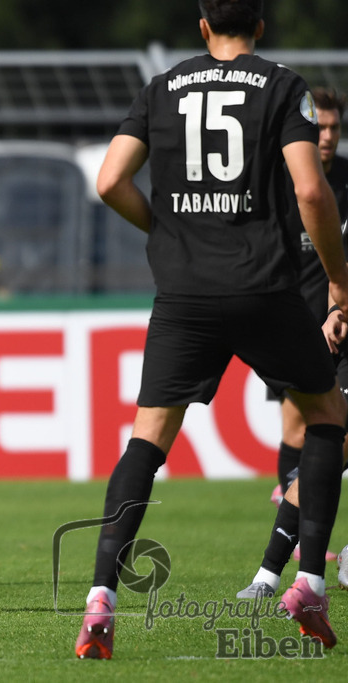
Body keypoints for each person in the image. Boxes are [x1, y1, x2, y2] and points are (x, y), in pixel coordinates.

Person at [75, 1, 348, 658]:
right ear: (260, 25)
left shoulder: (162, 87)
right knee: (328, 413)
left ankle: (100, 596)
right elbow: (311, 192)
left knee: (147, 439)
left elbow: (110, 180)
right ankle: (309, 580)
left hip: (184, 294)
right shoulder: (282, 86)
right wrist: (339, 281)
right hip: (264, 286)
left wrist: (170, 231)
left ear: (202, 27)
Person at [237, 87, 348, 599]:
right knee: (314, 438)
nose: (326, 137)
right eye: (318, 128)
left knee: (325, 444)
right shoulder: (287, 183)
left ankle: (285, 570)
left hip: (337, 320)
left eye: (333, 128)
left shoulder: (344, 180)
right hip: (306, 327)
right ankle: (283, 569)